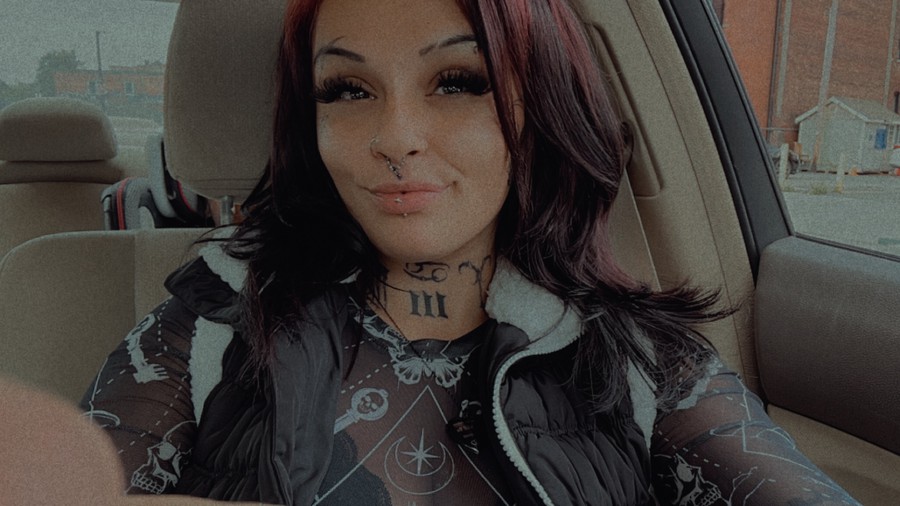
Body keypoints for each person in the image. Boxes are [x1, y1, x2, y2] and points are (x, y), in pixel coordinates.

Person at [81, 0, 860, 504]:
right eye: (348, 90)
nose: (395, 138)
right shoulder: (207, 326)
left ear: (541, 108)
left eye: (457, 81)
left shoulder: (644, 360)